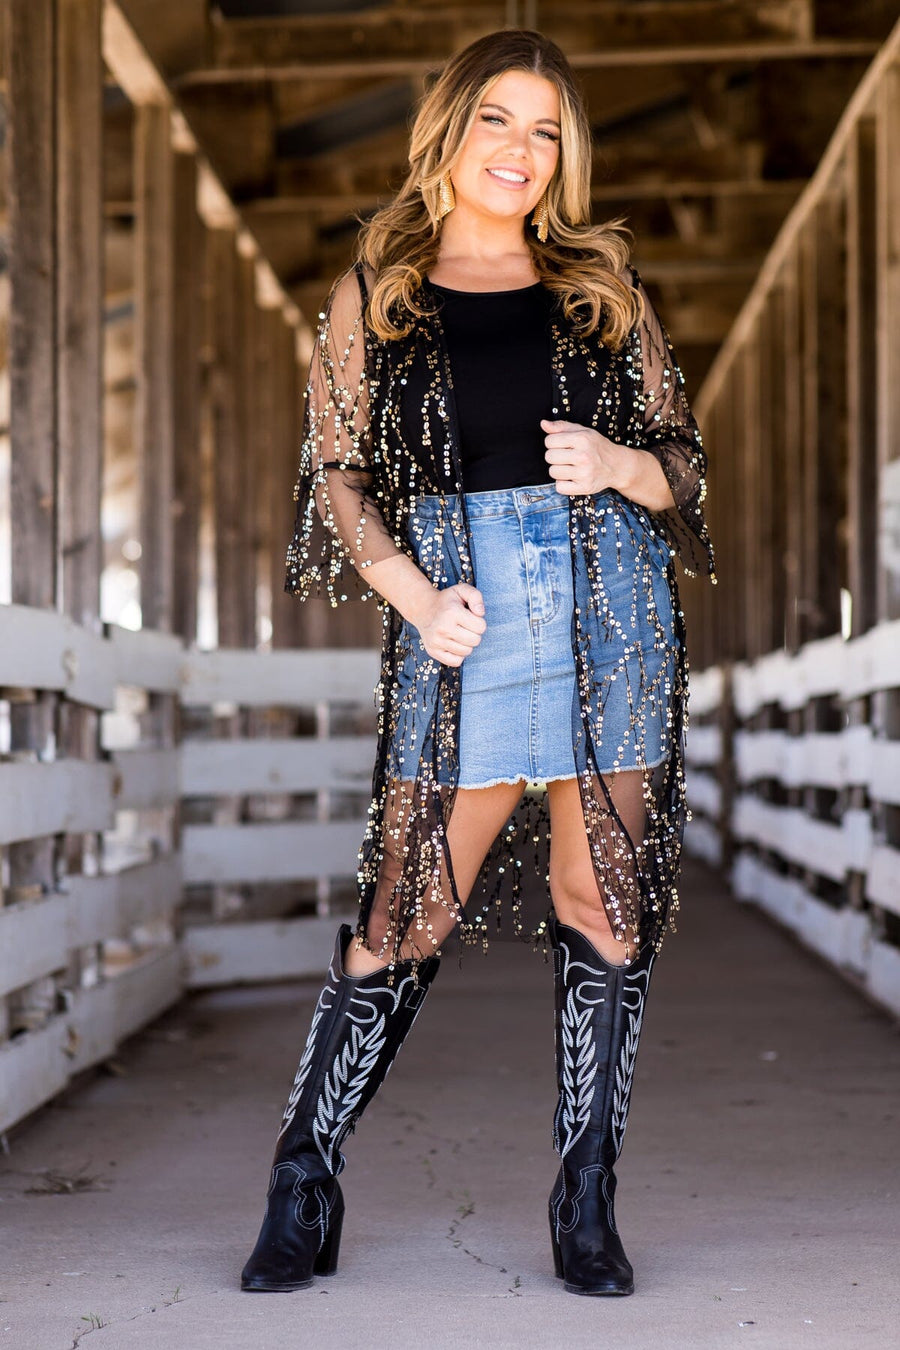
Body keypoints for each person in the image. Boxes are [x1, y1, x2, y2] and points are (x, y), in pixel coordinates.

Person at [240, 27, 715, 1299]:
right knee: (411, 904)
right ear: (449, 130)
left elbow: (683, 464)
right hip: (466, 607)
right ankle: (304, 1178)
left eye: (546, 129)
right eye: (498, 119)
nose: (521, 149)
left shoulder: (602, 287)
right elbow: (338, 473)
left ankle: (586, 1202)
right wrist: (407, 592)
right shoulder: (379, 290)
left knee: (602, 902)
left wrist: (620, 465)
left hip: (609, 604)